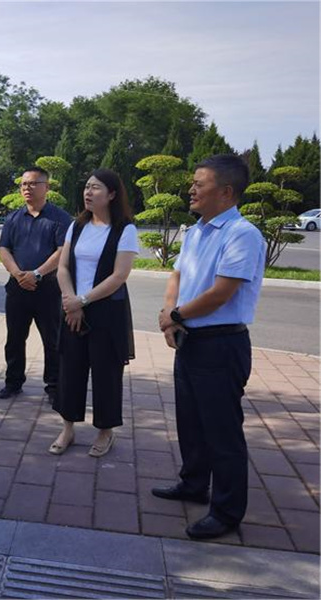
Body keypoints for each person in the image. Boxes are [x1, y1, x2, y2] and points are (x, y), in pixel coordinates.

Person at [153, 154, 265, 541]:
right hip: (191, 339)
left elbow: (221, 293)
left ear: (226, 192)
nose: (191, 189)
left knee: (222, 431)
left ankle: (227, 511)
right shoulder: (196, 230)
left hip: (221, 344)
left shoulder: (242, 234)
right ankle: (194, 483)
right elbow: (177, 275)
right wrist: (171, 314)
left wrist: (175, 315)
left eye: (199, 184)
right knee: (191, 421)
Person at [50, 168, 138, 458]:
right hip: (72, 307)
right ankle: (67, 428)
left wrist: (82, 301)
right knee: (69, 370)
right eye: (87, 186)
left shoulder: (125, 229)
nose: (88, 192)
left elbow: (119, 276)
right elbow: (63, 268)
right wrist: (70, 300)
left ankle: (105, 431)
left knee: (106, 373)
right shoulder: (77, 226)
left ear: (112, 194)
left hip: (106, 311)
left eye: (96, 187)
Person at [0, 167, 73, 402]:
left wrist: (37, 274)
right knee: (14, 338)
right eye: (23, 184)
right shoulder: (13, 218)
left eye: (32, 183)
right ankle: (13, 382)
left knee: (52, 340)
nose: (27, 188)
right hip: (17, 287)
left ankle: (54, 386)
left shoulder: (60, 218)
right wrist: (18, 274)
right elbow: (4, 249)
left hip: (48, 289)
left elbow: (62, 251)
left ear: (46, 187)